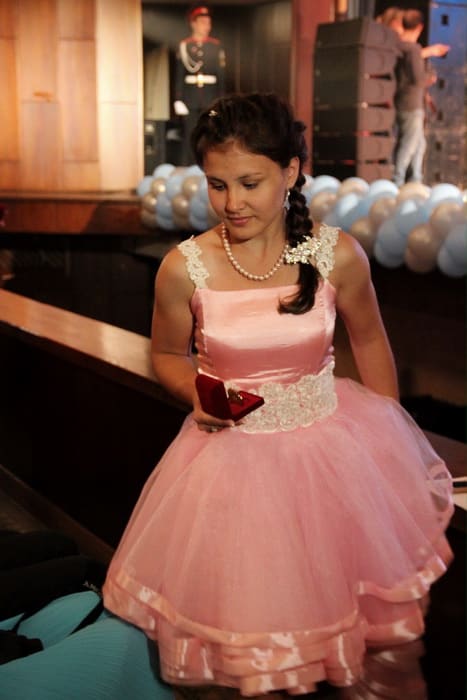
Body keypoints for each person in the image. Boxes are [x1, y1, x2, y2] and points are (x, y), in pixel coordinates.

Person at [103, 92, 453, 697]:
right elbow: (166, 355)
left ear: (290, 172)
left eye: (250, 183)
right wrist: (198, 392)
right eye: (217, 185)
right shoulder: (183, 268)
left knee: (366, 636)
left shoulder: (337, 254)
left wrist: (394, 451)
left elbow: (371, 342)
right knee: (252, 639)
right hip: (230, 468)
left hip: (332, 460)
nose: (232, 203)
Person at [173, 4, 226, 165]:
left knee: (211, 133)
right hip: (190, 96)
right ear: (193, 24)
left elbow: (221, 76)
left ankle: (210, 165)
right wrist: (178, 99)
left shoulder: (215, 46)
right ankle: (189, 166)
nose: (207, 26)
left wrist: (221, 100)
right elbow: (179, 74)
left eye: (209, 23)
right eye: (203, 22)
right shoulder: (185, 46)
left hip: (211, 96)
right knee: (190, 133)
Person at [392, 9, 438, 187]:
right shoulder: (413, 49)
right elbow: (418, 79)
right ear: (420, 27)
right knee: (409, 144)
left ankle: (415, 180)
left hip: (402, 101)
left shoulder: (398, 46)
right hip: (411, 103)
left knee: (418, 144)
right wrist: (429, 78)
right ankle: (398, 180)